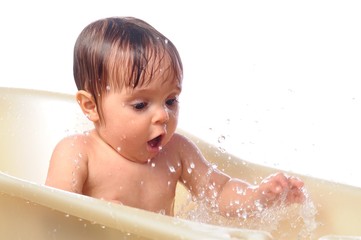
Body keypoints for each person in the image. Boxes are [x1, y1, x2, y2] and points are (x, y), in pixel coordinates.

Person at [45, 16, 305, 218]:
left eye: (171, 100)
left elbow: (220, 192)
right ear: (90, 106)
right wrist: (94, 211)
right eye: (140, 105)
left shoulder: (176, 151)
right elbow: (50, 215)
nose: (162, 115)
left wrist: (258, 197)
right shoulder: (78, 153)